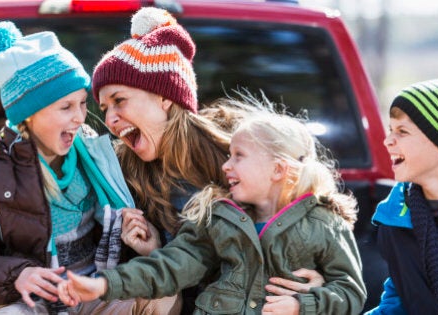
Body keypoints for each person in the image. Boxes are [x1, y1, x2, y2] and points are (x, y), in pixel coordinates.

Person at [90, 7, 324, 312]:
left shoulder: (240, 150)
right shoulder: (123, 176)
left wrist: (319, 280)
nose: (110, 118)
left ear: (165, 98)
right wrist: (155, 252)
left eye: (119, 101)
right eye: (104, 108)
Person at [0, 21, 180, 314]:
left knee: (163, 293)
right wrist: (18, 275)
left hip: (93, 291)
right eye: (65, 107)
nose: (80, 117)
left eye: (82, 104)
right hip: (35, 304)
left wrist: (143, 243)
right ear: (28, 115)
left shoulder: (98, 157)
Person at [57, 96, 367, 314]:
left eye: (239, 157)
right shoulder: (218, 218)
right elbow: (171, 267)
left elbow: (351, 293)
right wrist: (103, 286)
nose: (226, 166)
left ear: (278, 169)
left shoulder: (324, 223)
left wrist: (304, 306)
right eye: (229, 155)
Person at [365, 78, 438, 315]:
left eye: (402, 131)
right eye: (390, 130)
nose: (387, 141)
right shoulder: (396, 216)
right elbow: (402, 298)